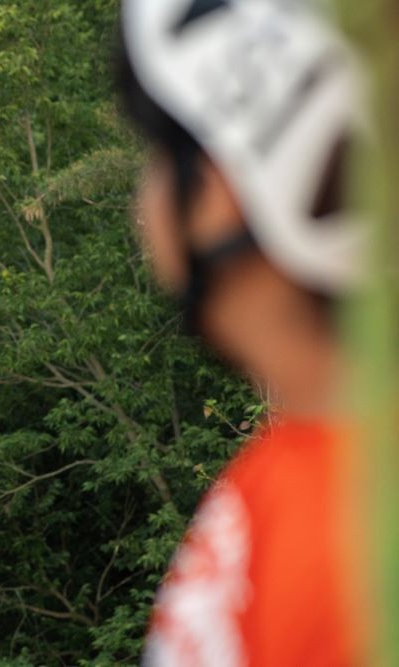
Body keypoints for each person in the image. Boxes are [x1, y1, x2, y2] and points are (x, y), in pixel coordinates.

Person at [117, 1, 372, 664]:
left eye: (155, 157)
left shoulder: (347, 557)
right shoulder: (301, 462)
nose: (138, 203)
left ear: (221, 192)